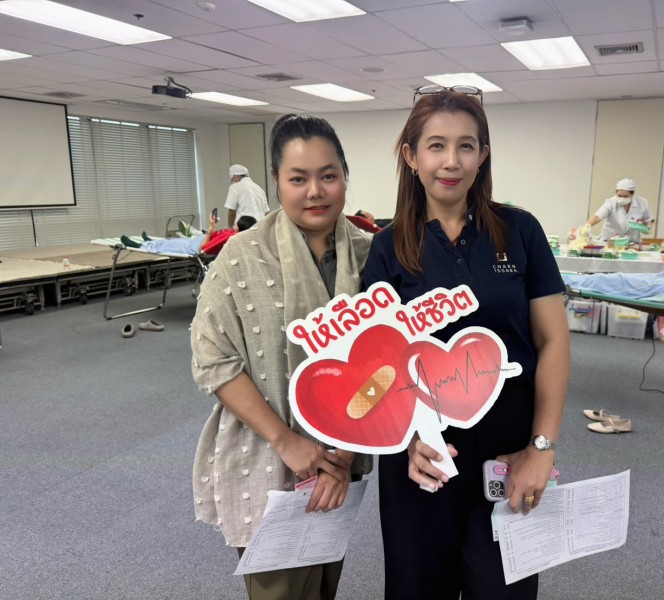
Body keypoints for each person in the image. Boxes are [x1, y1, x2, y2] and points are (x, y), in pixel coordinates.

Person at [363, 87, 570, 599]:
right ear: (411, 156)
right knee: (416, 588)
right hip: (422, 448)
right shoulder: (388, 247)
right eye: (436, 146)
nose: (451, 161)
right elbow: (379, 364)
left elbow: (553, 342)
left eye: (466, 146)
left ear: (483, 155)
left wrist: (541, 448)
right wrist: (406, 440)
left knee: (503, 587)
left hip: (509, 444)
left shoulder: (519, 231)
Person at [190, 114, 374, 599]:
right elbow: (213, 360)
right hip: (265, 455)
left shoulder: (370, 255)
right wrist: (288, 441)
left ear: (344, 176)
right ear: (275, 181)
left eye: (328, 175)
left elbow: (385, 364)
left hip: (343, 456)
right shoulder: (240, 258)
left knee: (324, 582)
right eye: (298, 178)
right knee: (281, 591)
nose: (315, 191)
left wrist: (342, 455)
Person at [120, 213, 255, 256]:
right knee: (169, 241)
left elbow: (203, 248)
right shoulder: (232, 235)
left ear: (239, 228)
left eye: (237, 223)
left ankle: (139, 245)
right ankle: (148, 241)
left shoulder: (229, 238)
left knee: (168, 244)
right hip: (198, 240)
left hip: (195, 247)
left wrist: (210, 228)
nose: (234, 223)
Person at [585, 178, 654, 242]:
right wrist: (586, 227)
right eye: (619, 196)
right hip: (610, 242)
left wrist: (647, 228)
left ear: (632, 194)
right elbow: (598, 217)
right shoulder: (610, 202)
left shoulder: (642, 203)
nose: (622, 198)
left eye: (625, 196)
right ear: (616, 192)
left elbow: (648, 220)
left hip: (632, 243)